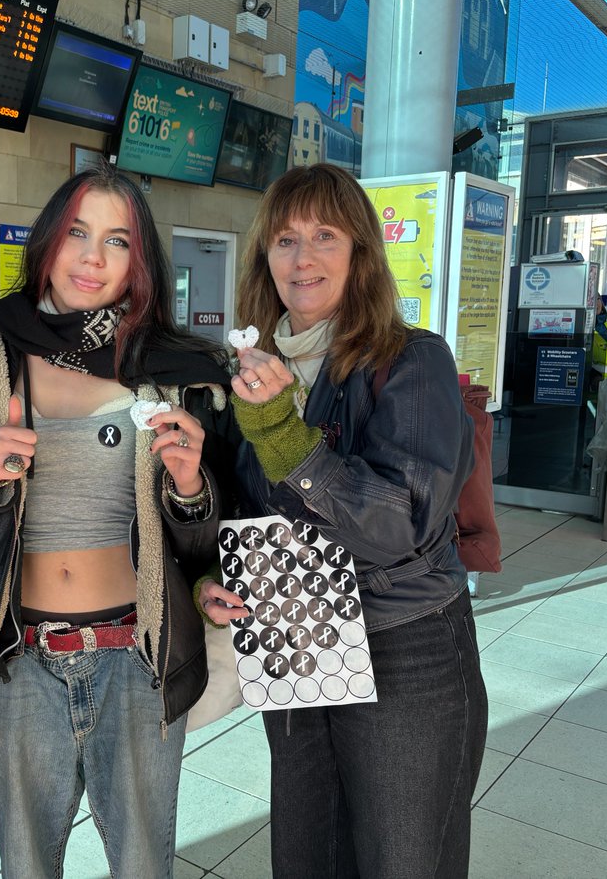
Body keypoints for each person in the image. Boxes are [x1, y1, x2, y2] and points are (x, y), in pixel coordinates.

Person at [0, 165, 232, 878]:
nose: (93, 258)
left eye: (117, 241)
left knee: (143, 865)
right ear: (48, 245)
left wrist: (189, 484)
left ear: (140, 260)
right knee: (27, 867)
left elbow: (204, 541)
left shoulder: (175, 368)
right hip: (16, 662)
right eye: (77, 234)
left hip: (138, 657)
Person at [198, 163, 487, 877]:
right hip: (295, 630)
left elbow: (400, 524)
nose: (304, 258)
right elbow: (240, 508)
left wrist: (282, 430)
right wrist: (211, 575)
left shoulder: (410, 359)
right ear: (264, 256)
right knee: (307, 855)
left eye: (326, 235)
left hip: (403, 641)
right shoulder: (252, 370)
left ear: (360, 251)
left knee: (401, 856)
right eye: (286, 239)